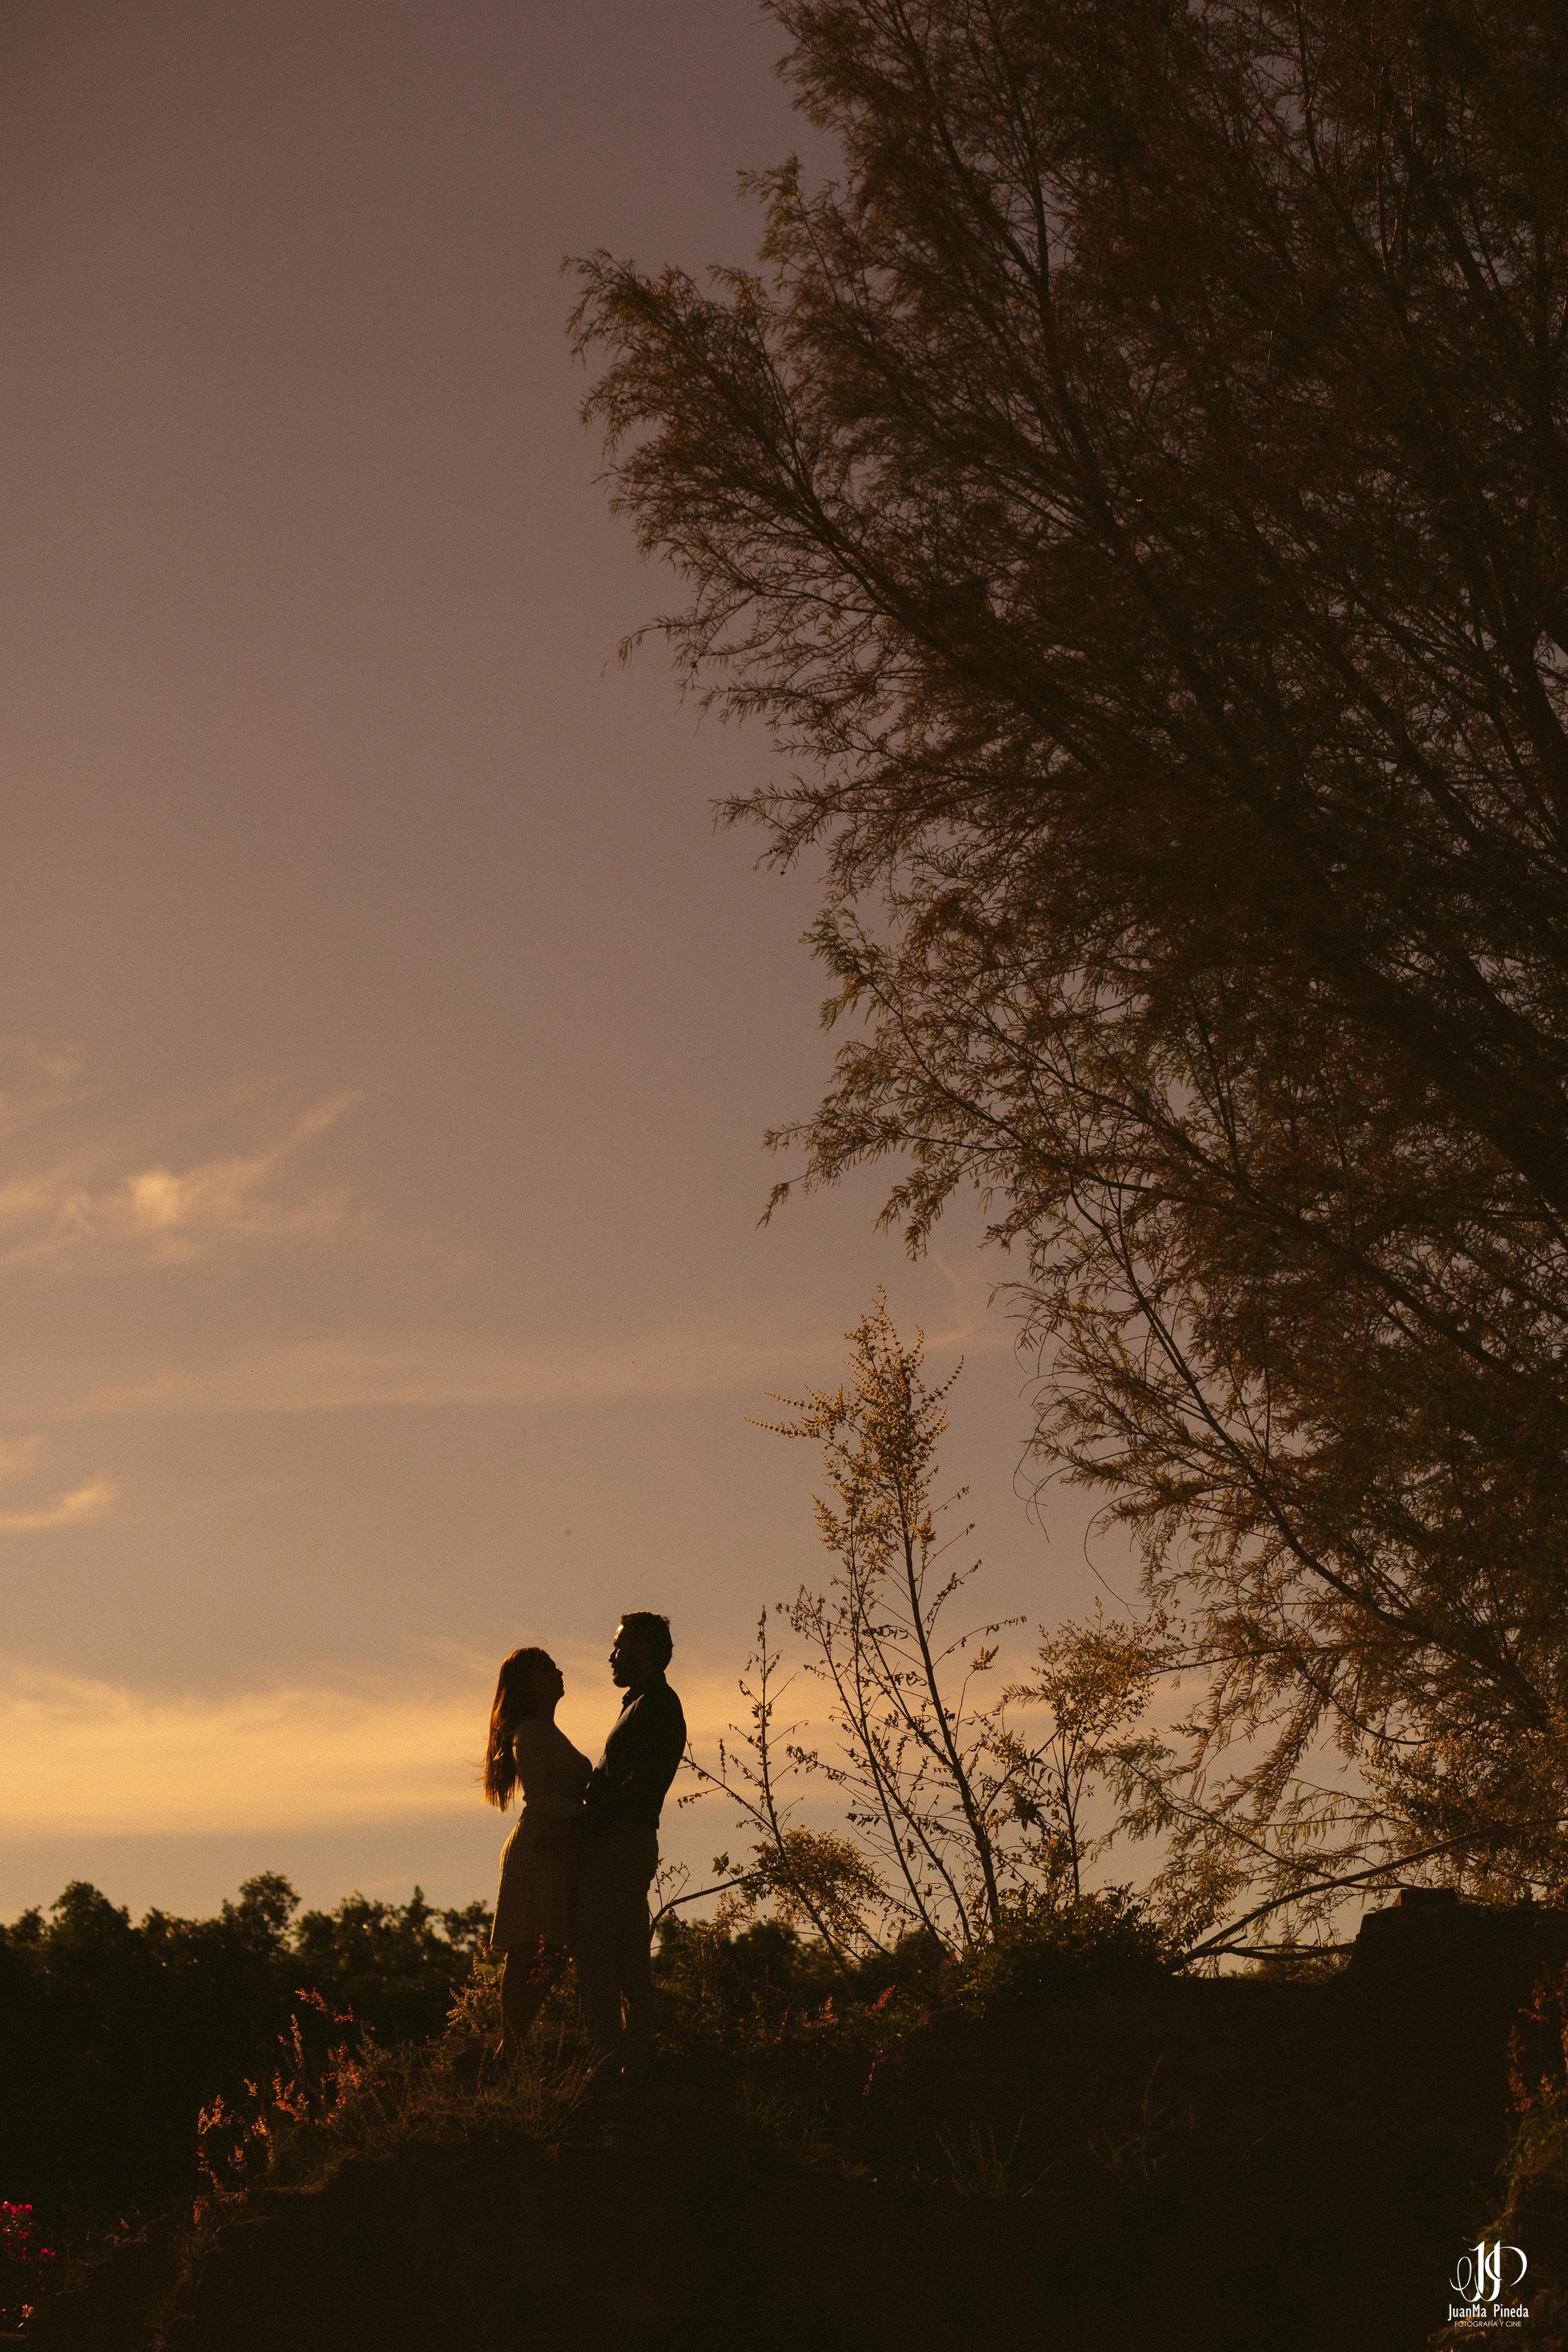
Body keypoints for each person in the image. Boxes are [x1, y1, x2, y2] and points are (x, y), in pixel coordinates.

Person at [571, 1612, 686, 2075]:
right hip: (622, 1840)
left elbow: (641, 1786)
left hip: (623, 1842)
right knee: (620, 1955)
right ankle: (626, 2062)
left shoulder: (657, 1704)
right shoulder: (642, 1703)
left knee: (604, 1954)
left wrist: (590, 1810)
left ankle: (614, 2064)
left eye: (620, 1646)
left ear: (644, 1650)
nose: (611, 1656)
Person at [483, 1645, 591, 2055]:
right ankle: (510, 2047)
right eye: (549, 1668)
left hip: (554, 1848)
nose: (560, 1672)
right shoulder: (531, 1732)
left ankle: (512, 2047)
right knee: (533, 1949)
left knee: (548, 1952)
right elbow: (543, 1798)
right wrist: (590, 1815)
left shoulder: (542, 1731)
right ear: (530, 1684)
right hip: (540, 1849)